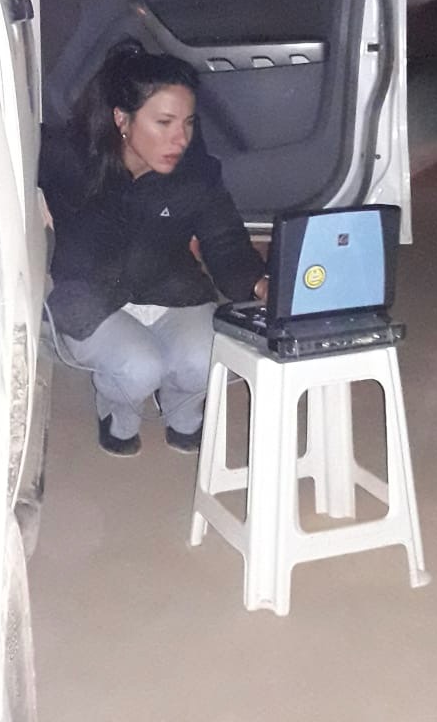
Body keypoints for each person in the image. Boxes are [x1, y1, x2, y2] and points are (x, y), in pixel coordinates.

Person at [39, 39, 268, 457]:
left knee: (206, 358)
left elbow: (225, 242)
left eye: (188, 123)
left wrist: (259, 285)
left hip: (172, 292)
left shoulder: (196, 175)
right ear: (122, 119)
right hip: (90, 298)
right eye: (164, 122)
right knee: (140, 366)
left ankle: (183, 416)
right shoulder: (68, 158)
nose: (180, 138)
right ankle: (118, 416)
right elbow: (5, 150)